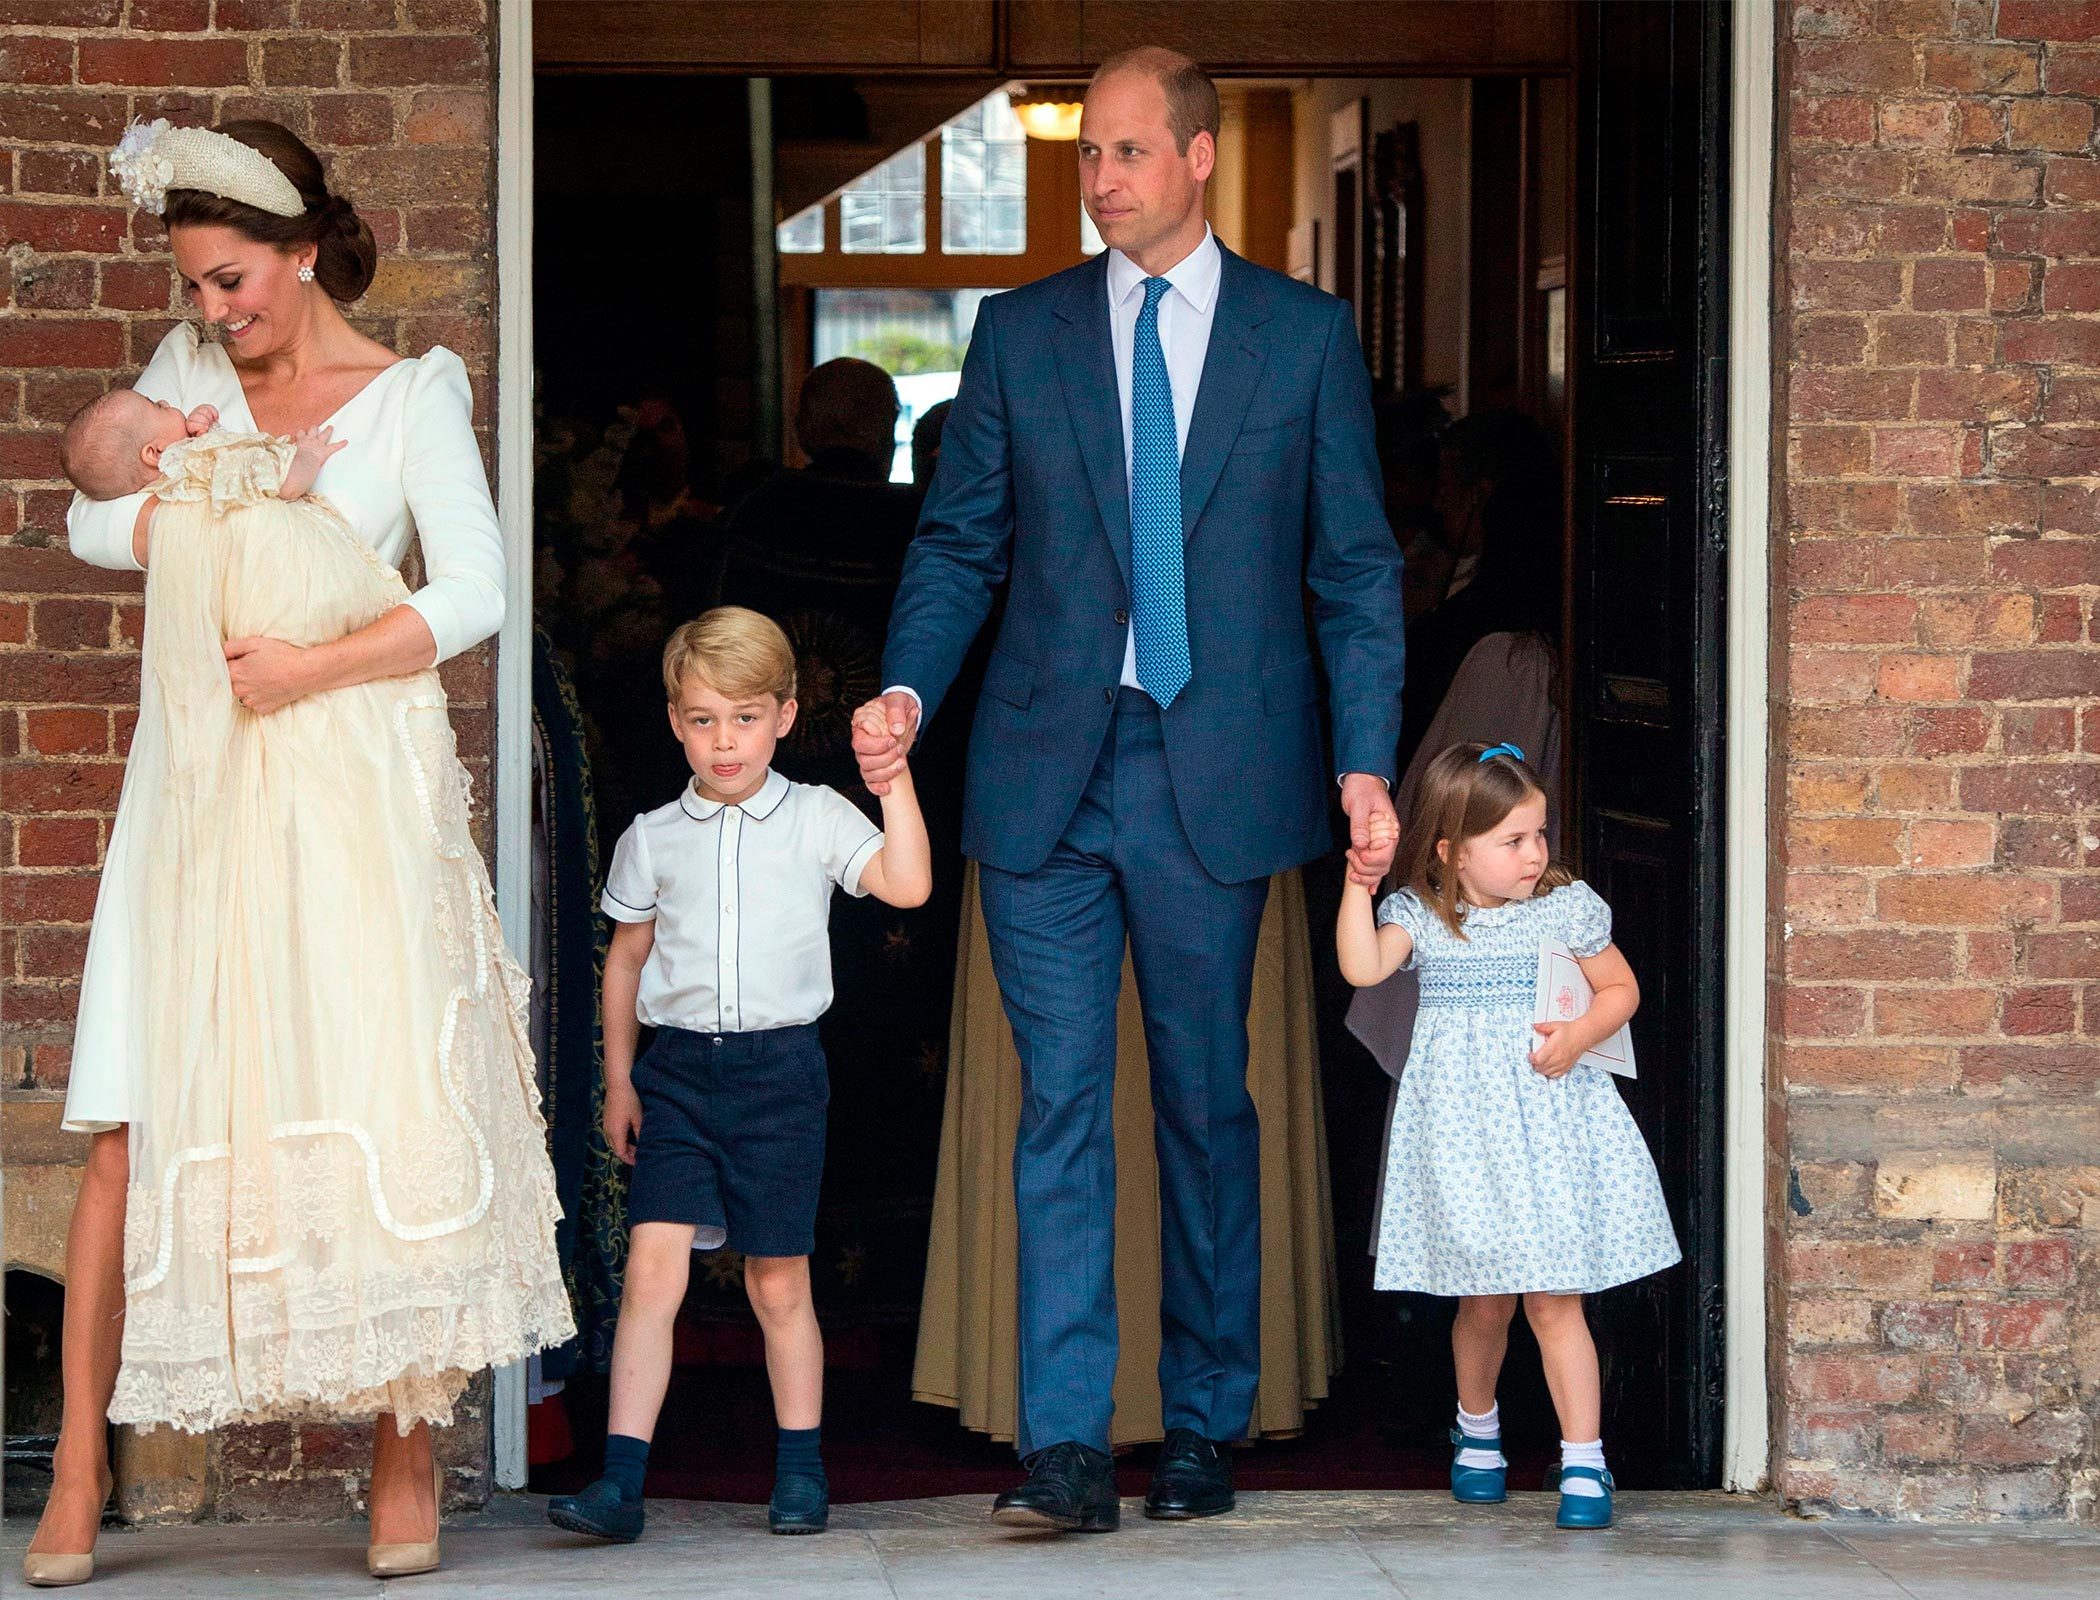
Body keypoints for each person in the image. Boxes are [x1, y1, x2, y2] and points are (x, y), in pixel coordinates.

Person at [853, 47, 1404, 1532]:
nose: (1099, 180)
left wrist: (1365, 758)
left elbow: (1352, 569)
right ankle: (1069, 1448)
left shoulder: (1302, 339)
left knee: (1207, 1107)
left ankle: (1208, 1420)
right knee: (1061, 1109)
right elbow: (961, 542)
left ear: (1201, 157)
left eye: (1127, 154)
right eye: (1088, 156)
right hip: (1042, 776)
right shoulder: (1020, 334)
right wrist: (909, 689)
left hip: (1218, 776)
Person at [27, 117, 574, 1588]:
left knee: (384, 1094)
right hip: (195, 793)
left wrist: (305, 668)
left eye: (231, 283)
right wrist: (215, 496)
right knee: (126, 1123)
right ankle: (81, 1463)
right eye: (196, 289)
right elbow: (91, 519)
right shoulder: (189, 380)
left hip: (340, 784)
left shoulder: (412, 396)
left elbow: (470, 595)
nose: (212, 315)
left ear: (305, 249)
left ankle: (406, 1452)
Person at [547, 608, 930, 1544]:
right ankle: (622, 1482)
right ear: (676, 721)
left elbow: (909, 885)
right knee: (651, 1271)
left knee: (777, 1282)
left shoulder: (815, 817)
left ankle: (800, 1471)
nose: (726, 741)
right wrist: (621, 1083)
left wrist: (893, 780)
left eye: (747, 717)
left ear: (787, 716)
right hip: (677, 1074)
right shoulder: (651, 837)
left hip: (780, 1075)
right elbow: (626, 964)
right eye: (705, 718)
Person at [1335, 743, 1681, 1531]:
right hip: (1468, 1137)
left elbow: (1621, 987)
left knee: (1556, 1298)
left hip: (1551, 1128)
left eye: (1539, 834)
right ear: (1452, 851)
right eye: (1513, 841)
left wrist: (1578, 1032)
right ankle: (1479, 1433)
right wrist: (1360, 887)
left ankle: (1584, 1460)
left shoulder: (1564, 909)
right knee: (1484, 1300)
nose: (1536, 853)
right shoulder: (1420, 917)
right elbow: (1361, 968)